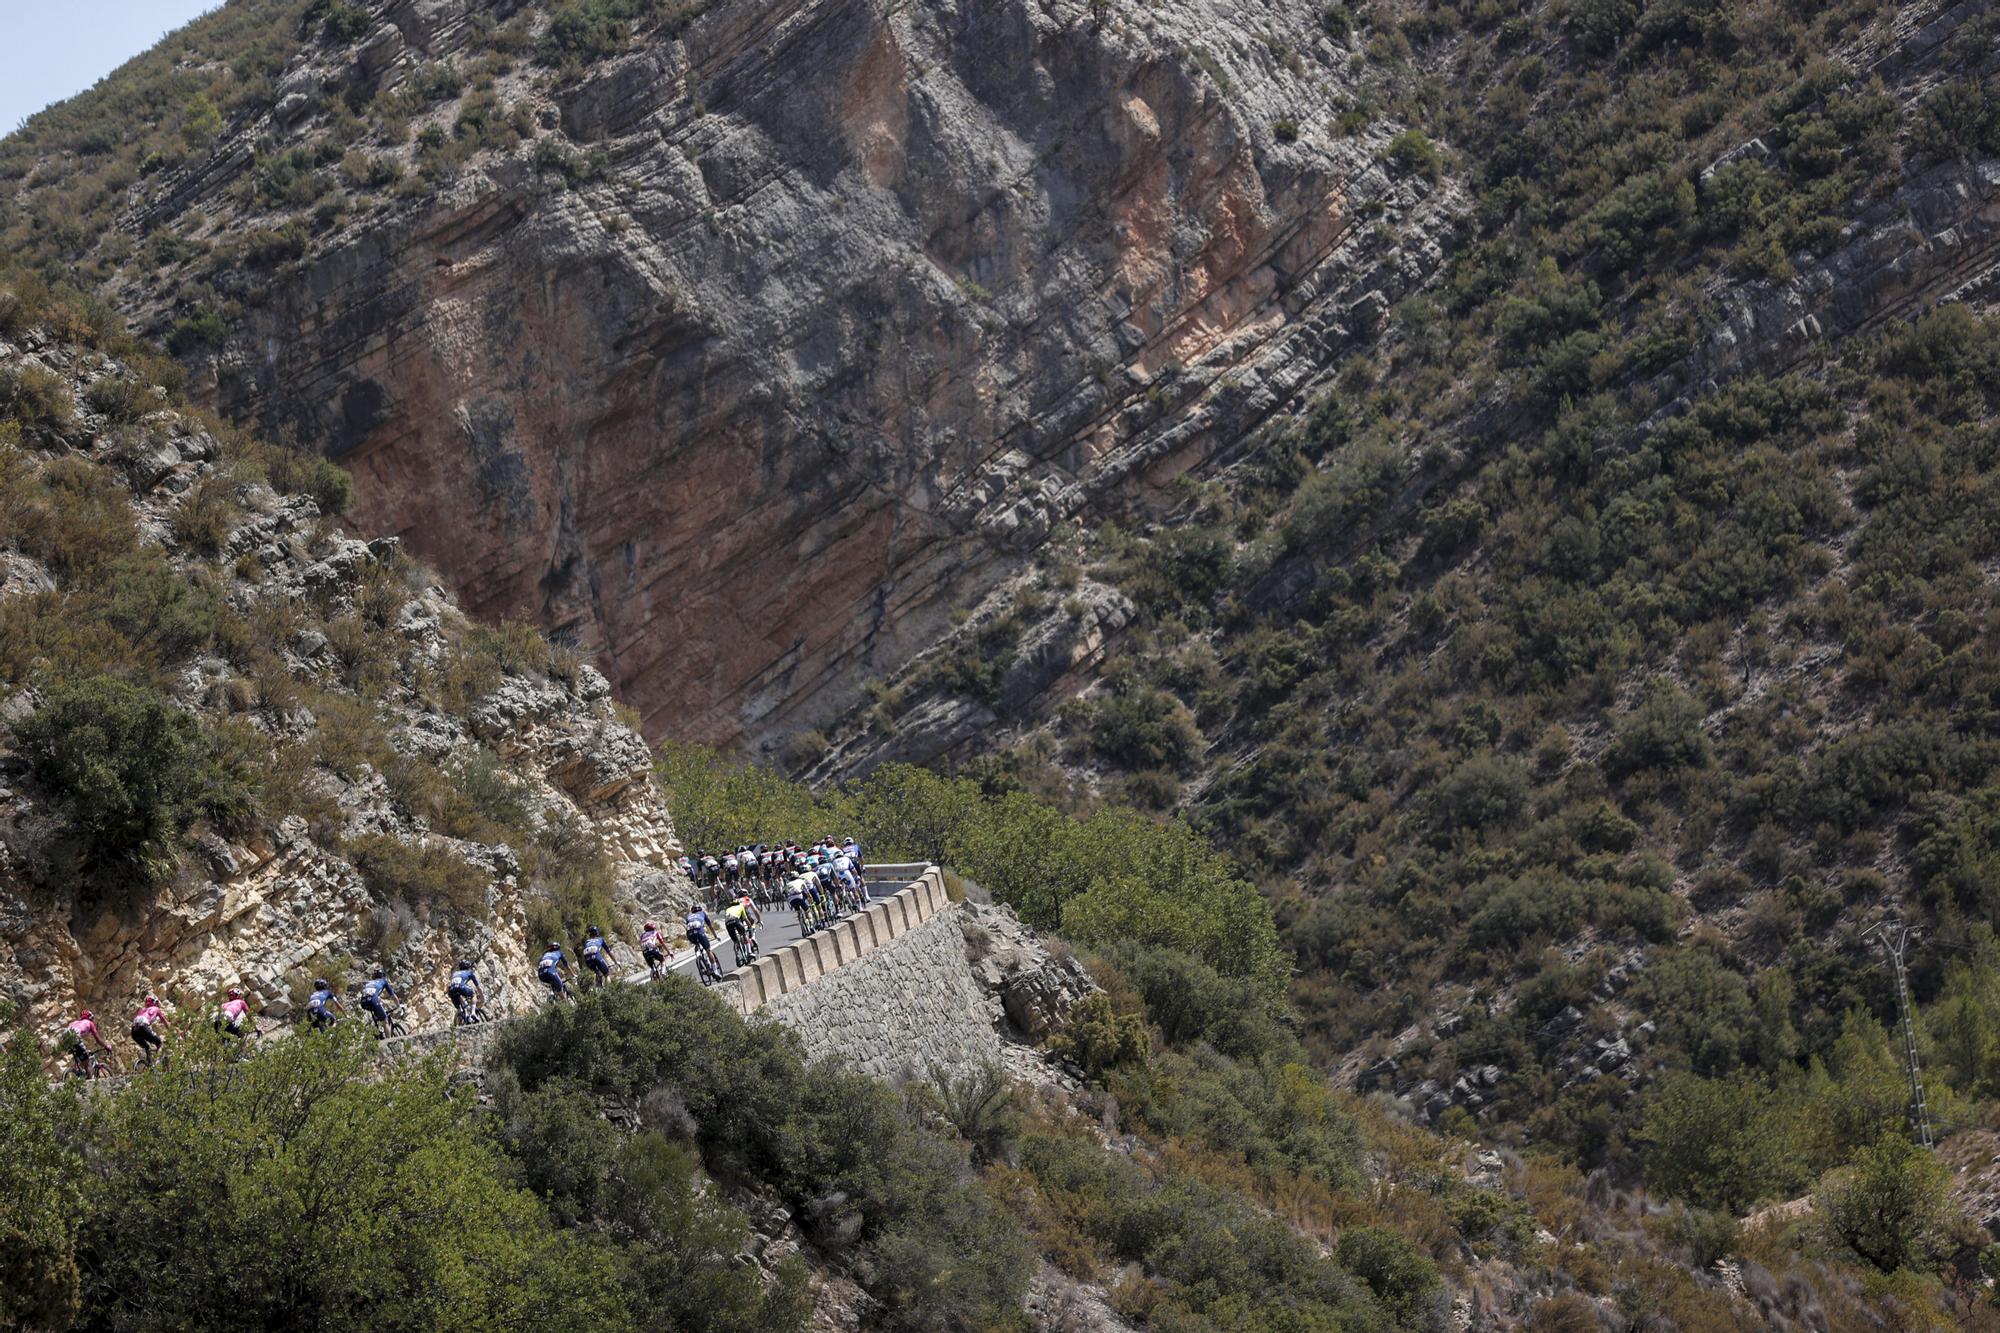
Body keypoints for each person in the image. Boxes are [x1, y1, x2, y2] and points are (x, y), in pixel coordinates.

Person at [63, 1009, 112, 1078]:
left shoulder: (75, 1022)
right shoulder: (89, 1023)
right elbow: (97, 1039)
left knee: (82, 1055)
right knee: (88, 1061)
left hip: (65, 1040)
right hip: (75, 1038)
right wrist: (106, 1046)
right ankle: (90, 1081)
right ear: (90, 1017)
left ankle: (78, 1073)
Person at [358, 967, 398, 1036]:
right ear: (383, 976)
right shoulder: (383, 981)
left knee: (375, 1015)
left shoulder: (369, 982)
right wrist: (398, 1006)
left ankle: (375, 1030)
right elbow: (393, 996)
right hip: (373, 1000)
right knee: (385, 1020)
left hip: (363, 1002)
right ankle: (389, 1041)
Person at [130, 995, 167, 1068]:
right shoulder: (156, 1009)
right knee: (160, 1043)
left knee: (147, 1047)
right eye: (156, 1002)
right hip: (143, 1027)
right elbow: (164, 1021)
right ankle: (156, 1064)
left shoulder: (142, 1010)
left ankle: (149, 1065)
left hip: (134, 1031)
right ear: (155, 1002)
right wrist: (172, 1031)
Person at [684, 903, 718, 974]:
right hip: (699, 932)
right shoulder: (702, 913)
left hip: (689, 934)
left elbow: (687, 926)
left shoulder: (689, 916)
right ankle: (715, 971)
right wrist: (715, 936)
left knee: (697, 945)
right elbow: (710, 926)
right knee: (708, 950)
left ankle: (698, 957)